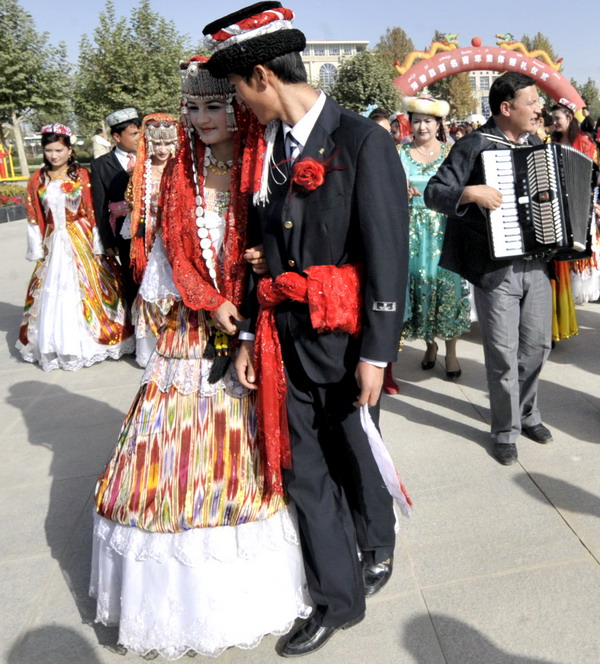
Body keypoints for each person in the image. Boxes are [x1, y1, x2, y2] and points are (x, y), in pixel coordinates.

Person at [204, 2, 409, 657]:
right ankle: (337, 600)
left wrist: (377, 354)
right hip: (283, 339)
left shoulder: (360, 141)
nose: (238, 104)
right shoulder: (266, 151)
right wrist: (244, 338)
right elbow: (259, 246)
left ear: (261, 75)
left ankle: (377, 539)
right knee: (305, 472)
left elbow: (387, 255)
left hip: (346, 341)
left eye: (236, 89)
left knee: (356, 454)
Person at [90, 58, 311, 659]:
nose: (203, 118)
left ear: (238, 106)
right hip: (193, 330)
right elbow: (175, 249)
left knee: (248, 450)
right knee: (167, 453)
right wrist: (209, 303)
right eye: (193, 108)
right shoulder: (176, 174)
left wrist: (243, 301)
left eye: (215, 105)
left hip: (252, 324)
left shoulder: (260, 167)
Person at [425, 72, 552, 466]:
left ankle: (528, 414)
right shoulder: (475, 144)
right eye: (532, 102)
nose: (539, 109)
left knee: (537, 348)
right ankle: (504, 429)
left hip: (536, 264)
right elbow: (433, 191)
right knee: (502, 353)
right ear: (506, 108)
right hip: (495, 268)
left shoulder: (535, 144)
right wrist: (468, 192)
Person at [17, 123, 133, 371]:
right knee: (52, 292)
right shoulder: (37, 179)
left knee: (91, 287)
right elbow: (34, 214)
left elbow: (94, 210)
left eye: (59, 150)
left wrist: (101, 242)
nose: (53, 155)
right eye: (49, 150)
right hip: (53, 241)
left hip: (81, 238)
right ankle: (55, 345)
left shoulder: (82, 176)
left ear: (70, 150)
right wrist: (37, 246)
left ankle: (92, 341)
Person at [399, 97, 470, 380]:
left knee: (447, 287)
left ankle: (451, 352)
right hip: (412, 230)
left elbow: (463, 188)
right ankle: (429, 345)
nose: (422, 126)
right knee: (419, 286)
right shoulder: (399, 152)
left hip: (444, 229)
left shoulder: (451, 152)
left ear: (438, 124)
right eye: (416, 120)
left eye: (428, 120)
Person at [124, 113, 179, 366]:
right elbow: (133, 205)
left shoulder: (183, 168)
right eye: (156, 143)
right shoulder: (140, 172)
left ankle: (180, 342)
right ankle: (154, 346)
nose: (162, 149)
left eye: (168, 142)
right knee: (152, 293)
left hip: (178, 241)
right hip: (152, 242)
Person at [91, 108, 141, 307]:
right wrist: (107, 240)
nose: (139, 138)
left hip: (152, 230)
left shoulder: (152, 158)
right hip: (123, 233)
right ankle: (136, 324)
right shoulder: (101, 165)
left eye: (140, 133)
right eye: (134, 134)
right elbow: (100, 206)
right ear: (117, 137)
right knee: (131, 279)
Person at [551, 103, 600, 308]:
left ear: (570, 117)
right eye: (552, 120)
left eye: (558, 119)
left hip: (581, 202)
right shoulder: (551, 142)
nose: (554, 123)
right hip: (559, 203)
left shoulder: (584, 141)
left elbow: (594, 176)